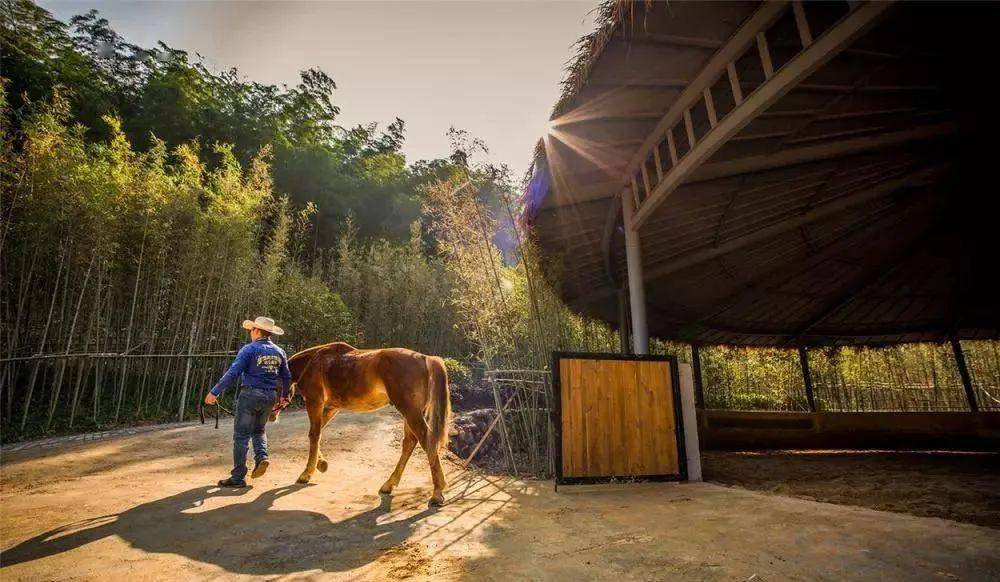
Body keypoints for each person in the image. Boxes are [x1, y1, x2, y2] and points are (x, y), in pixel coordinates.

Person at [205, 316, 292, 488]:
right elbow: (287, 376)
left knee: (241, 436)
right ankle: (262, 457)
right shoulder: (279, 352)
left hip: (250, 395)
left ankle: (238, 477)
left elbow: (233, 372)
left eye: (252, 329)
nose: (250, 332)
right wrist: (284, 397)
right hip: (270, 396)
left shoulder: (249, 349)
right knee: (259, 430)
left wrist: (214, 392)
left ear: (257, 331)